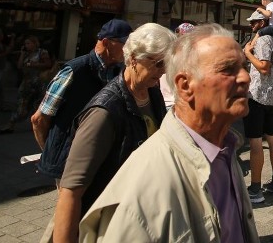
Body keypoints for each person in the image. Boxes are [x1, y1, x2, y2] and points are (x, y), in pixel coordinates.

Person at [78, 24, 259, 242]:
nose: (245, 77)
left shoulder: (225, 150)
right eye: (228, 69)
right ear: (184, 86)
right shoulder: (143, 192)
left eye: (244, 66)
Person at [53, 23, 173, 242]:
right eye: (158, 63)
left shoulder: (152, 92)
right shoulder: (105, 111)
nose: (164, 71)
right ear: (134, 58)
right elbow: (70, 191)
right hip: (106, 224)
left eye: (168, 63)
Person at [30, 19, 130, 181]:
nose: (128, 49)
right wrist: (51, 151)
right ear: (106, 42)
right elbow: (39, 119)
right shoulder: (74, 70)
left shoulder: (117, 71)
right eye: (124, 43)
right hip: (68, 162)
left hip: (99, 159)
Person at [243, 11, 273, 204]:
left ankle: (255, 188)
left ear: (262, 22)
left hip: (257, 96)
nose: (251, 25)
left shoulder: (263, 40)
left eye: (253, 22)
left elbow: (263, 67)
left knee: (255, 142)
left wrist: (247, 53)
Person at [0, 35, 53, 134]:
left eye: (28, 43)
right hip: (26, 83)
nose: (26, 45)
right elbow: (19, 66)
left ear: (34, 43)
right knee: (21, 104)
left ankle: (41, 127)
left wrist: (34, 65)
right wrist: (22, 54)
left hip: (39, 83)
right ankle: (10, 124)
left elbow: (48, 64)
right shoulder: (26, 54)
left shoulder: (42, 52)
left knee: (38, 106)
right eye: (25, 44)